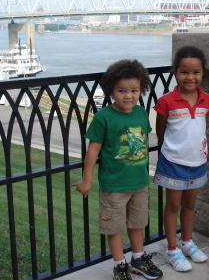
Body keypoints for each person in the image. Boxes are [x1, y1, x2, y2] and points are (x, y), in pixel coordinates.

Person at [72, 59, 163, 280]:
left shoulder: (141, 112)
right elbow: (93, 151)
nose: (129, 96)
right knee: (114, 227)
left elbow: (145, 141)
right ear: (111, 90)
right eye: (122, 90)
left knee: (138, 223)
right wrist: (86, 180)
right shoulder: (104, 117)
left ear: (141, 90)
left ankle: (138, 258)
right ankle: (119, 264)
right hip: (114, 186)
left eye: (134, 90)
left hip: (139, 183)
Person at [153, 45, 209, 272]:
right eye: (184, 72)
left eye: (196, 72)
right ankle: (172, 249)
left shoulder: (207, 100)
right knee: (173, 205)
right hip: (173, 163)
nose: (190, 77)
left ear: (203, 73)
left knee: (190, 205)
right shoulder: (167, 101)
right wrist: (169, 149)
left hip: (198, 162)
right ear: (175, 73)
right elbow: (161, 130)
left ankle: (187, 242)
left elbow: (200, 127)